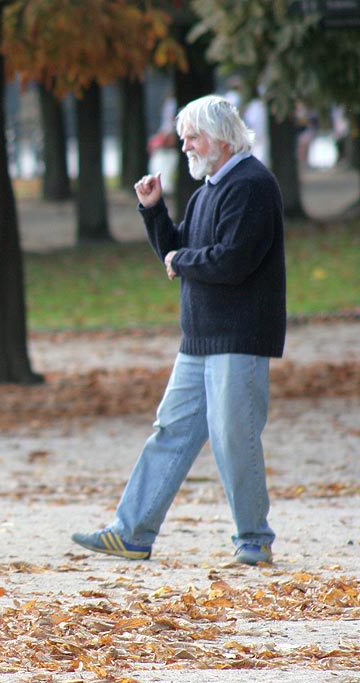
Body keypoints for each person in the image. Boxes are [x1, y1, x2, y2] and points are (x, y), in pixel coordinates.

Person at [71, 94, 285, 567]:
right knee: (170, 431)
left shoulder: (250, 184)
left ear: (223, 138)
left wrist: (179, 260)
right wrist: (153, 211)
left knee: (234, 436)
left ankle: (254, 538)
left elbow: (232, 261)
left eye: (193, 136)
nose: (184, 144)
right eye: (184, 135)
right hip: (200, 339)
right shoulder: (210, 186)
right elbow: (179, 251)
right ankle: (131, 533)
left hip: (239, 335)